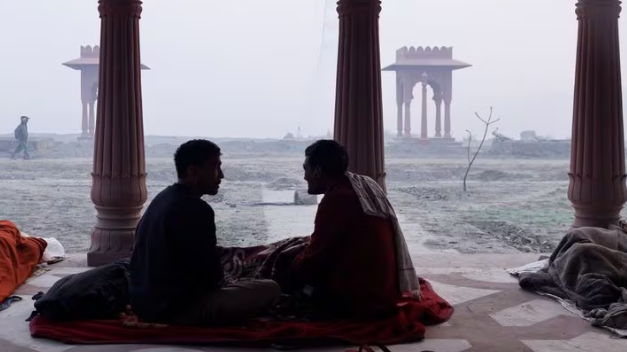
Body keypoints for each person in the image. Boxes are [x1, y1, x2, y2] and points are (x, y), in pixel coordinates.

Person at [130, 139, 281, 326]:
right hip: (176, 310)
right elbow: (211, 276)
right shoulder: (196, 209)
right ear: (193, 172)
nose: (222, 175)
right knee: (270, 289)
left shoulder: (162, 198)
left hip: (144, 304)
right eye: (216, 168)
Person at [291, 139, 420, 318]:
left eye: (306, 169)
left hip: (361, 302)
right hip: (386, 292)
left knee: (290, 272)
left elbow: (314, 261)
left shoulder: (337, 199)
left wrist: (294, 263)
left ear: (318, 171)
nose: (304, 176)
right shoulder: (364, 183)